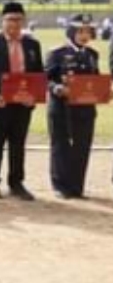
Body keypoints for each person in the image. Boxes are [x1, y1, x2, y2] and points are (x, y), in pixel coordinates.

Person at [0, 1, 44, 201]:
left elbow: (38, 73)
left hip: (23, 104)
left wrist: (35, 96)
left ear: (23, 21)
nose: (13, 23)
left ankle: (16, 183)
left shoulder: (32, 45)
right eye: (9, 19)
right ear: (2, 21)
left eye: (17, 19)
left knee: (18, 143)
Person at [45, 14, 100, 199]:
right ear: (71, 31)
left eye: (87, 31)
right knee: (60, 145)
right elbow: (45, 79)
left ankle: (77, 187)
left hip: (85, 109)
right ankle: (61, 186)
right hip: (62, 108)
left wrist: (105, 91)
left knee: (82, 147)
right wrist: (57, 88)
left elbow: (96, 81)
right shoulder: (57, 53)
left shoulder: (92, 55)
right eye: (80, 31)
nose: (84, 35)